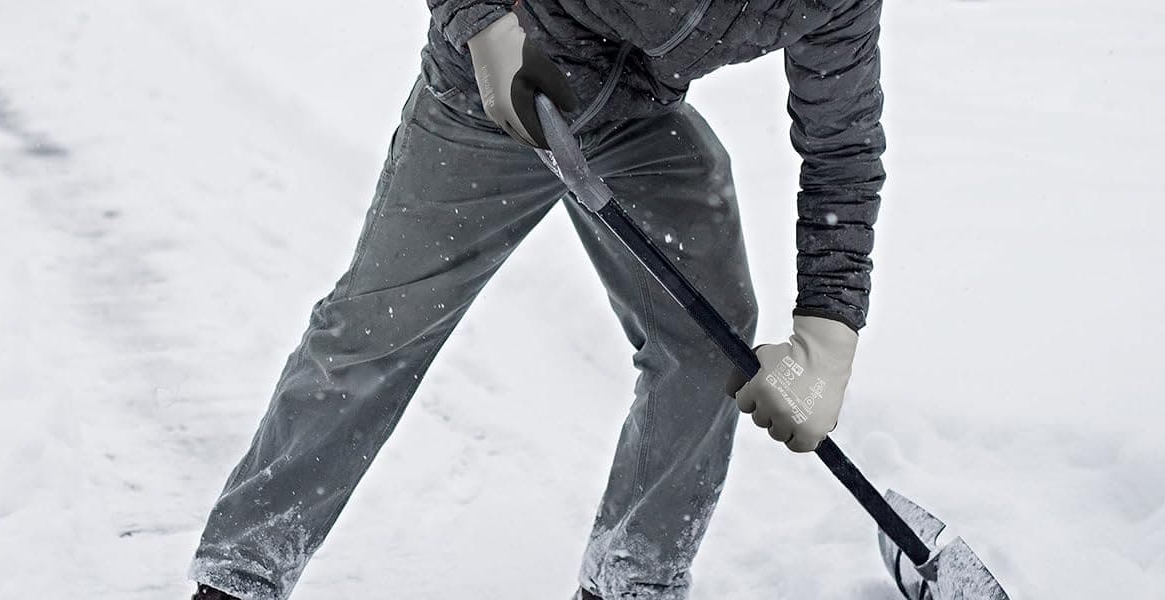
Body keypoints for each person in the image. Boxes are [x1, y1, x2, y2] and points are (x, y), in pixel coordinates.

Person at [189, 0, 885, 598]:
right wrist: (482, 22)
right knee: (377, 328)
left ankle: (634, 577)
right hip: (490, 94)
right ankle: (241, 573)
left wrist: (830, 332)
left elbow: (843, 150)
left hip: (632, 118)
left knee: (708, 339)